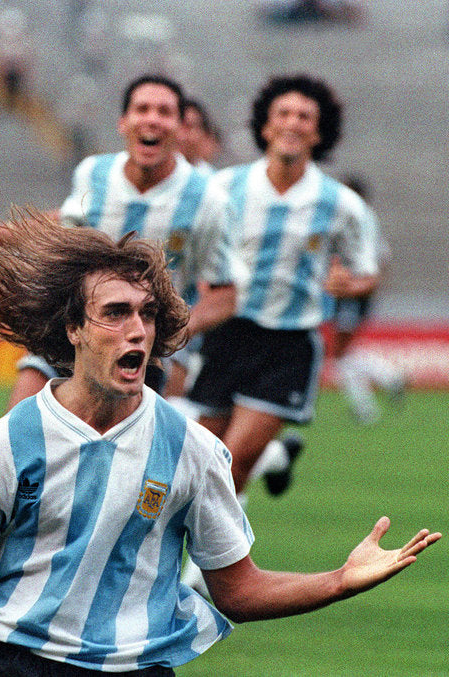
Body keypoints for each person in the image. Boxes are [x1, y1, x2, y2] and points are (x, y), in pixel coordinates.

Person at [0, 212, 442, 677]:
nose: (137, 331)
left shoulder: (190, 448)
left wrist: (340, 580)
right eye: (116, 313)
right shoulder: (9, 441)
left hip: (132, 669)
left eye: (147, 314)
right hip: (12, 659)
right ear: (73, 329)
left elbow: (238, 590)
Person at [0, 74, 239, 411]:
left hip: (142, 348)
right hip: (77, 326)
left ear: (180, 128)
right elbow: (66, 224)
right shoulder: (93, 173)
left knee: (124, 439)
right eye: (142, 109)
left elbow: (225, 294)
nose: (152, 119)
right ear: (123, 122)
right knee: (19, 425)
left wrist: (171, 332)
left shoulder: (207, 198)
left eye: (164, 112)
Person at [187, 73, 381, 505]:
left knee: (232, 465)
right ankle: (275, 457)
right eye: (284, 113)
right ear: (266, 125)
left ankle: (210, 555)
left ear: (318, 132)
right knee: (200, 462)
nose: (293, 122)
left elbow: (368, 272)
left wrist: (348, 284)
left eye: (304, 116)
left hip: (288, 346)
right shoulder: (224, 187)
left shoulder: (342, 204)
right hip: (226, 334)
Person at [324, 174, 407, 425]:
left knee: (340, 352)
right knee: (341, 352)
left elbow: (378, 258)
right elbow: (384, 257)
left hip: (353, 291)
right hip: (353, 290)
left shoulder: (358, 219)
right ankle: (373, 396)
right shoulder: (365, 219)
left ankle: (386, 381)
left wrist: (363, 285)